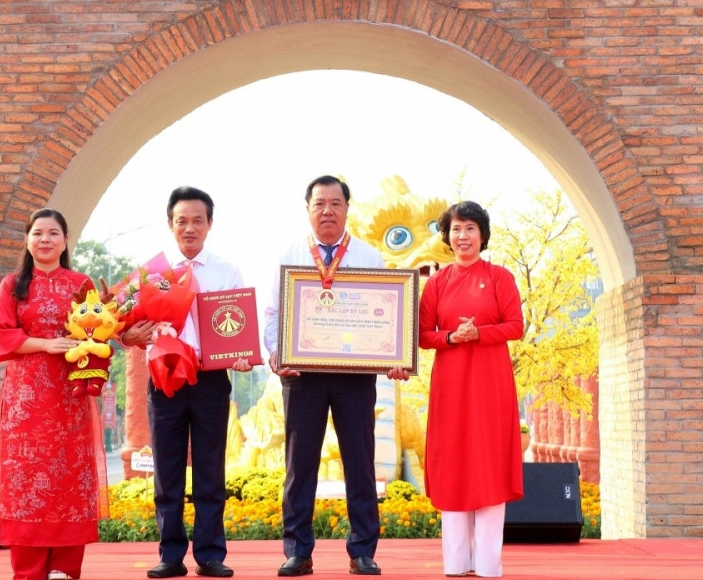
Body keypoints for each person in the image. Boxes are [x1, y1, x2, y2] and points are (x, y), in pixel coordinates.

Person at [264, 175, 409, 577]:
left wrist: (394, 356)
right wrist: (276, 354)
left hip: (354, 376)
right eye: (319, 204)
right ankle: (298, 551)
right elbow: (274, 315)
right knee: (300, 465)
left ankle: (362, 550)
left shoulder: (369, 256)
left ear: (347, 207)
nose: (327, 210)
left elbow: (388, 313)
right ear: (307, 209)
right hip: (302, 374)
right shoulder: (290, 253)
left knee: (360, 462)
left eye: (335, 203)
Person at [122, 186, 252, 579]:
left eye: (198, 221)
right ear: (170, 224)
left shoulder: (227, 271)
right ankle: (171, 554)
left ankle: (211, 554)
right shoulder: (150, 273)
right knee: (167, 470)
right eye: (182, 221)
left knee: (211, 470)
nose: (190, 228)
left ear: (210, 224)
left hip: (212, 379)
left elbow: (239, 327)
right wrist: (132, 336)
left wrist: (242, 354)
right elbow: (121, 328)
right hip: (165, 381)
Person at [0, 208, 107, 580]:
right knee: (25, 478)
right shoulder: (12, 285)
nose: (45, 240)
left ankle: (65, 569)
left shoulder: (81, 283)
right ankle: (28, 571)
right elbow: (1, 337)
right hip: (25, 400)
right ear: (27, 239)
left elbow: (99, 329)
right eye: (38, 233)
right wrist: (46, 344)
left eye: (53, 233)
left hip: (69, 396)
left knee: (69, 477)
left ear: (65, 240)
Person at [418, 201, 525, 578]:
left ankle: (488, 565)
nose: (462, 236)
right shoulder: (436, 282)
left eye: (470, 229)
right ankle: (456, 563)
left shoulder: (500, 277)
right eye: (456, 229)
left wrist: (480, 333)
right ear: (446, 235)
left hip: (491, 384)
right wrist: (450, 336)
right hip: (450, 385)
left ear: (482, 235)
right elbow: (422, 336)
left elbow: (515, 326)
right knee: (454, 463)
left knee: (489, 463)